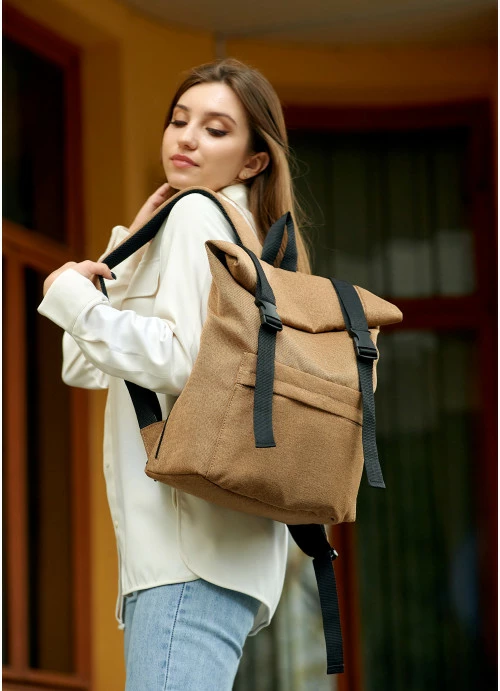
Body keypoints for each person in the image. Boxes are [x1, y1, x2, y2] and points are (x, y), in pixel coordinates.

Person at [37, 57, 312, 690]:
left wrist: (69, 294)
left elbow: (185, 361)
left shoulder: (197, 216)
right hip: (201, 552)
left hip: (187, 553)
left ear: (254, 161)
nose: (186, 139)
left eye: (215, 129)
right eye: (178, 120)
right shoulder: (240, 236)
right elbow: (84, 365)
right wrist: (128, 249)